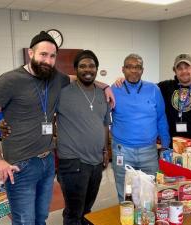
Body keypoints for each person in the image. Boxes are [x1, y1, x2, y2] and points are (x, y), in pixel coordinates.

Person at [0, 31, 70, 225]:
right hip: (20, 164)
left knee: (41, 218)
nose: (48, 60)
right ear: (31, 53)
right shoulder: (9, 80)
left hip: (47, 160)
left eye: (52, 56)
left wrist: (106, 86)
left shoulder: (57, 78)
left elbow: (80, 78)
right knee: (24, 220)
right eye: (43, 54)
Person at [56, 50, 111, 225]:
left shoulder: (103, 94)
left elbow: (104, 124)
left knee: (87, 210)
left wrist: (105, 150)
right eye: (82, 66)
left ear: (97, 69)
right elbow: (43, 114)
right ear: (75, 70)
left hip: (96, 161)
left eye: (92, 66)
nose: (88, 69)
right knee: (74, 212)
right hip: (73, 162)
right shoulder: (62, 92)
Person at [111, 53, 170, 202]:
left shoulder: (153, 89)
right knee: (126, 192)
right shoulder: (113, 89)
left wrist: (165, 145)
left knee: (151, 190)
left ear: (142, 70)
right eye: (129, 67)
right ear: (123, 69)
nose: (134, 70)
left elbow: (161, 117)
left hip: (149, 151)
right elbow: (104, 118)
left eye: (137, 67)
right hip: (122, 151)